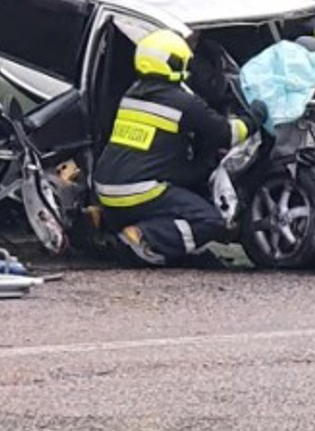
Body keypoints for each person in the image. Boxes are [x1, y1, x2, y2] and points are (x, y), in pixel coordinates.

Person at [93, 29, 255, 266]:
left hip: (106, 191)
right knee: (210, 222)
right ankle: (144, 236)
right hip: (139, 193)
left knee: (184, 187)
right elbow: (228, 134)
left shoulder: (131, 96)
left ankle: (100, 219)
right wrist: (254, 118)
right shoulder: (183, 103)